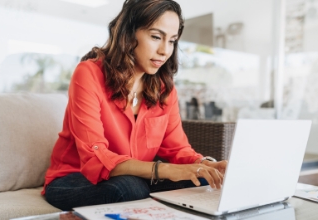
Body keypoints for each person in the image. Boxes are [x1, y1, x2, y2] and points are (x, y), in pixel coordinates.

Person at [43, 0, 228, 211]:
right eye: (156, 37)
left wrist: (205, 165)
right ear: (129, 34)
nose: (164, 51)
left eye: (172, 41)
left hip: (137, 177)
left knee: (203, 181)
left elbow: (177, 148)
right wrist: (167, 171)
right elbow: (95, 157)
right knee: (130, 188)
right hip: (74, 178)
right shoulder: (88, 74)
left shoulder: (164, 89)